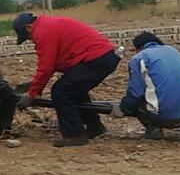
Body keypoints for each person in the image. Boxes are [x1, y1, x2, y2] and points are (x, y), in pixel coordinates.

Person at [13, 12, 119, 147]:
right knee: (74, 90)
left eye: (27, 37)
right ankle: (94, 127)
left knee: (60, 91)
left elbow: (46, 67)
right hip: (103, 56)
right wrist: (35, 85)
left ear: (28, 27)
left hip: (95, 58)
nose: (30, 39)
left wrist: (31, 94)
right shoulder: (47, 24)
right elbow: (53, 64)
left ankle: (74, 135)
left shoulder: (42, 32)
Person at [110, 31, 180, 142]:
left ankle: (154, 130)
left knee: (139, 101)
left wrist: (123, 109)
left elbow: (136, 91)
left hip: (161, 117)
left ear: (139, 47)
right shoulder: (173, 51)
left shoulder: (139, 58)